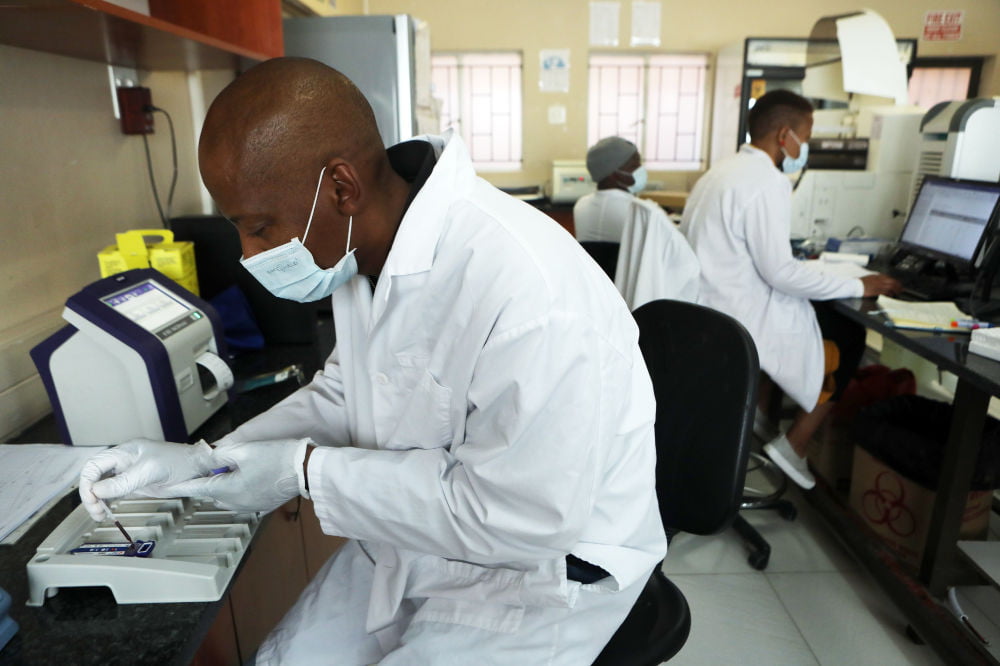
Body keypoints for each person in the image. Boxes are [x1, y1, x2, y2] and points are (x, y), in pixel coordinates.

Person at [77, 58, 666, 665]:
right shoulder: (366, 252)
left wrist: (302, 472)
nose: (250, 254)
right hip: (420, 541)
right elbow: (345, 392)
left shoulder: (529, 292)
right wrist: (205, 464)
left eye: (258, 226)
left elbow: (522, 515)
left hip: (538, 572)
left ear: (341, 188)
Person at [680, 89, 900, 490]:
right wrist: (856, 283)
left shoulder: (722, 170)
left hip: (707, 311)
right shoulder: (767, 181)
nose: (807, 146)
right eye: (807, 136)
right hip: (737, 318)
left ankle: (763, 420)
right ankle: (794, 445)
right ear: (785, 135)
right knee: (848, 335)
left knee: (823, 319)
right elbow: (780, 273)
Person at [574, 137, 700, 305]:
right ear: (612, 173)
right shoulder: (644, 212)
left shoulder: (581, 206)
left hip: (593, 298)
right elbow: (680, 258)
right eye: (634, 165)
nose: (641, 170)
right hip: (631, 301)